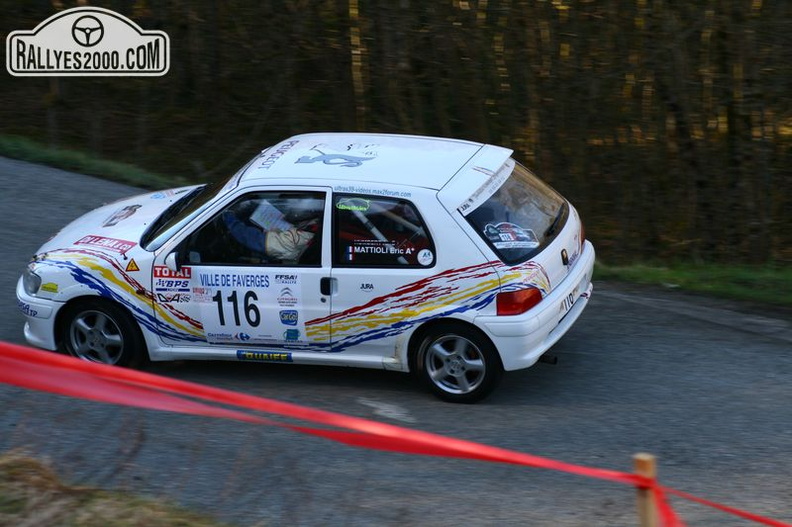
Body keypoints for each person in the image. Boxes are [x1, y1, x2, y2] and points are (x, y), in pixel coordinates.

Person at [222, 198, 320, 264]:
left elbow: (254, 239)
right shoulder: (311, 225)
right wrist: (253, 205)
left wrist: (229, 219)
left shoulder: (294, 241)